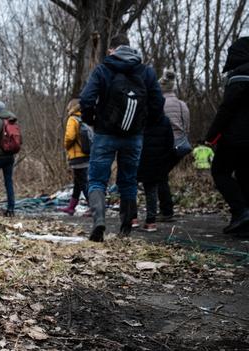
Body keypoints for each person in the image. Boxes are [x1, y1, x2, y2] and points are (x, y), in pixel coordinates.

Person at [80, 34, 165, 242]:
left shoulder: (103, 69)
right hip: (134, 136)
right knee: (128, 181)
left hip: (105, 134)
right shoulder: (146, 72)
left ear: (112, 50)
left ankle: (99, 221)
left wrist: (92, 121)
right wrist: (144, 125)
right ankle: (126, 226)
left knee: (97, 180)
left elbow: (86, 99)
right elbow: (158, 103)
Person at [205, 36, 249, 235]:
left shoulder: (239, 76)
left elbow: (227, 109)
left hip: (235, 137)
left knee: (220, 171)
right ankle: (243, 220)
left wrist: (211, 135)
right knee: (244, 174)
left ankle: (241, 212)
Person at [158, 69, 191, 222]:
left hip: (168, 146)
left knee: (159, 176)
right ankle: (166, 210)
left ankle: (166, 211)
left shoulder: (160, 103)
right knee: (162, 175)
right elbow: (187, 127)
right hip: (183, 146)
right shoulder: (182, 105)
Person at [135, 114, 176, 232]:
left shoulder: (139, 116)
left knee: (130, 186)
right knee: (151, 190)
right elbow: (170, 142)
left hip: (138, 156)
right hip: (156, 159)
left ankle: (132, 218)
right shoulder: (164, 120)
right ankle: (151, 221)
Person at [59, 98, 90, 216]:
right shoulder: (83, 118)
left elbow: (70, 137)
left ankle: (93, 206)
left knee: (83, 182)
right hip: (86, 154)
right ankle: (71, 207)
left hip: (77, 156)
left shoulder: (72, 119)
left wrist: (66, 145)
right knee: (78, 182)